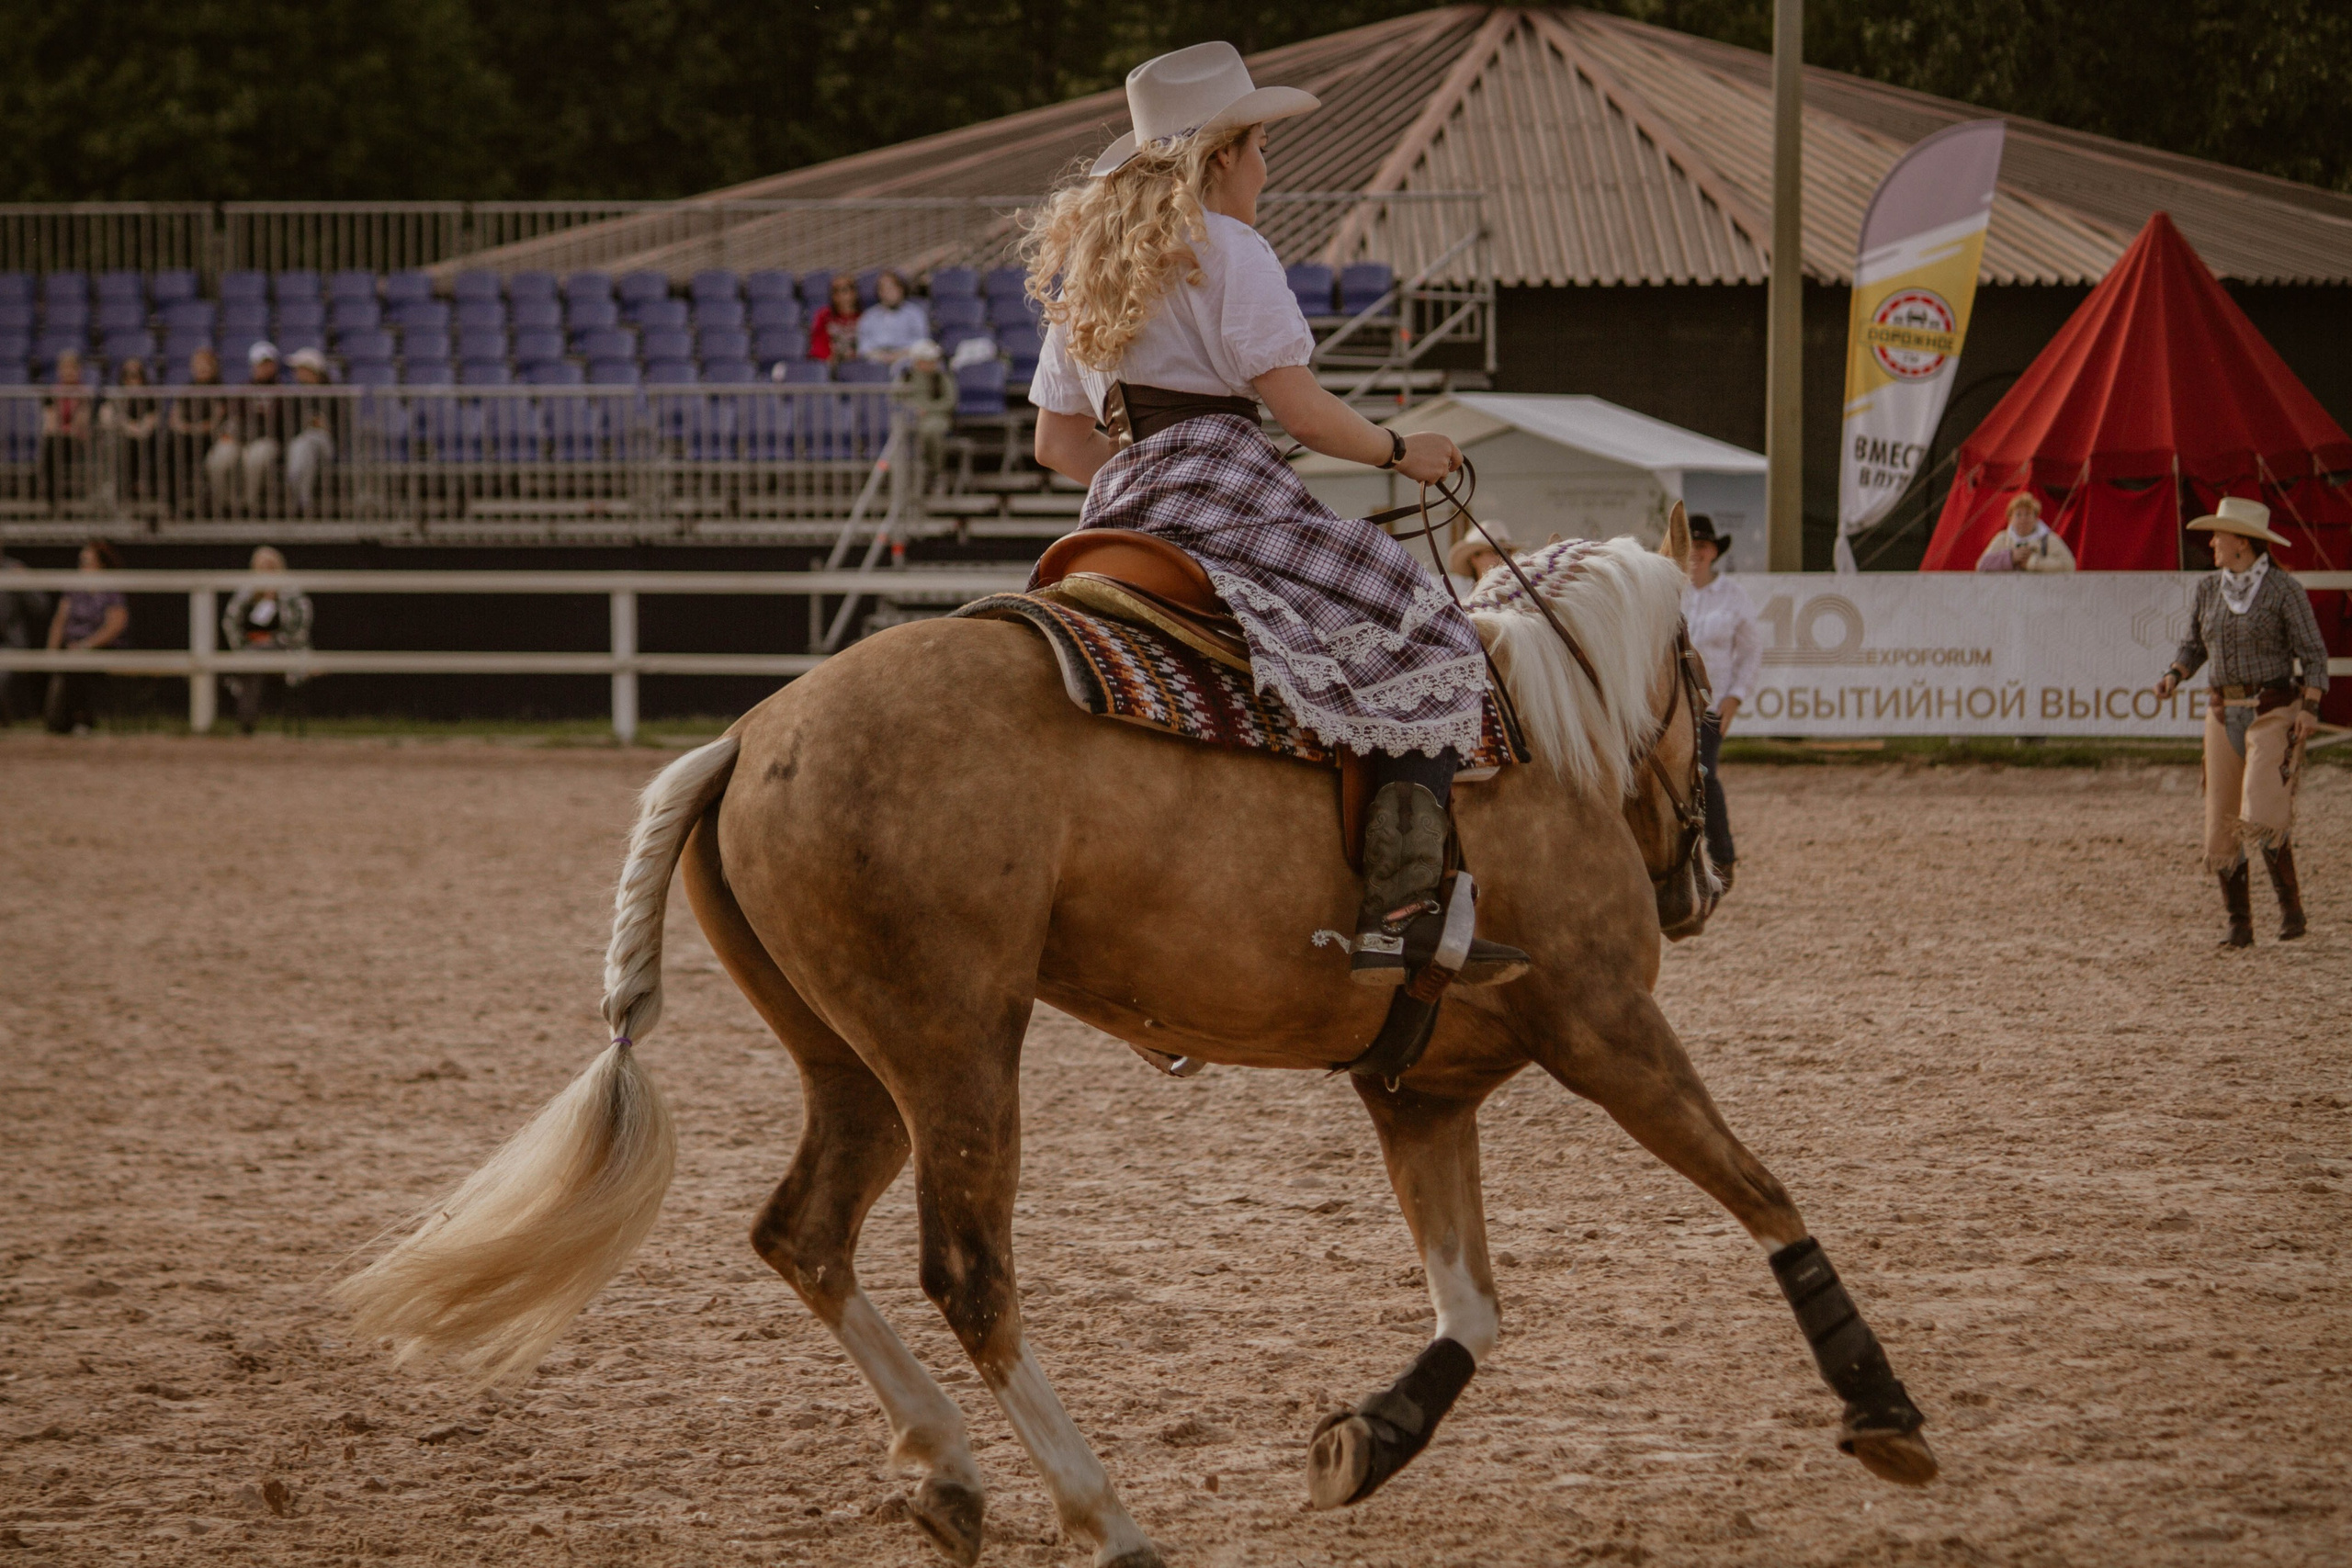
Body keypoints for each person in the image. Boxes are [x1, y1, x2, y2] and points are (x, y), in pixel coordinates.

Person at [1025, 41, 1527, 988]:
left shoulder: (1083, 273)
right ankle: (1403, 909)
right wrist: (1400, 452)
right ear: (1221, 157)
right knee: (1425, 626)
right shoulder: (1231, 250)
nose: (1264, 168)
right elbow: (1300, 413)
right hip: (1226, 481)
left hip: (1120, 505)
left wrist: (1144, 481)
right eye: (1258, 148)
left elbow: (1058, 448)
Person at [2152, 497, 2328, 946]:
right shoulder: (2209, 589)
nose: (2212, 542)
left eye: (2219, 535)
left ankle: (2290, 908)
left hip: (2272, 708)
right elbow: (2194, 645)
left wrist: (2309, 706)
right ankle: (2239, 921)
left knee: (2263, 807)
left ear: (2242, 543)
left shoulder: (2284, 590)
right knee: (2221, 820)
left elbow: (2313, 654)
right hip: (2221, 709)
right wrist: (2175, 674)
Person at [1680, 514, 1762, 892]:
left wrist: (1735, 698)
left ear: (1713, 551)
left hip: (1710, 706)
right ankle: (1680, 857)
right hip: (1673, 703)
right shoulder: (1671, 590)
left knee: (1705, 775)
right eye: (1690, 545)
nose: (1696, 553)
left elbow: (1749, 653)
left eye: (1702, 546)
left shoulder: (1733, 595)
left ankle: (1723, 853)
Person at [220, 545, 314, 734]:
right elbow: (230, 623)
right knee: (251, 662)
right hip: (250, 650)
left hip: (285, 649)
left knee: (252, 658)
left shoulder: (291, 593)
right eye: (262, 566)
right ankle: (247, 722)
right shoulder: (245, 594)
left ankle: (246, 722)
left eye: (270, 566)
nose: (266, 571)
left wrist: (273, 639)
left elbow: (301, 626)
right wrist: (245, 644)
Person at [43, 539, 128, 734]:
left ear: (101, 565)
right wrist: (50, 652)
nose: (82, 567)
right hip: (73, 647)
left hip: (103, 647)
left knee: (78, 662)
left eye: (87, 563)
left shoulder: (111, 590)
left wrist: (86, 645)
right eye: (80, 562)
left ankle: (81, 720)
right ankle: (61, 722)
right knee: (67, 661)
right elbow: (59, 621)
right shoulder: (74, 589)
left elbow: (115, 626)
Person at [207, 342, 288, 513]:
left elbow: (281, 424)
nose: (264, 368)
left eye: (268, 364)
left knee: (254, 458)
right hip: (239, 438)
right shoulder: (243, 390)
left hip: (266, 440)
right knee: (217, 461)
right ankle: (225, 505)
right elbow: (232, 417)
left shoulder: (283, 392)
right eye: (260, 364)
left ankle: (248, 506)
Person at [167, 347, 230, 517]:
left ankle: (207, 504)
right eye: (197, 365)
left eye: (205, 365)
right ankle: (173, 503)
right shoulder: (187, 389)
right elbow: (175, 416)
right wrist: (184, 428)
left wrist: (195, 429)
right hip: (186, 437)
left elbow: (217, 419)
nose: (201, 369)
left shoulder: (219, 389)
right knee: (170, 445)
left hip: (209, 439)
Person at [96, 356, 161, 505]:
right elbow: (107, 418)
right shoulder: (114, 397)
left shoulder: (149, 398)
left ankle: (142, 488)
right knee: (121, 445)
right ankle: (121, 493)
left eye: (136, 375)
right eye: (128, 375)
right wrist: (128, 427)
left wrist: (136, 428)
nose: (132, 380)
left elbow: (150, 422)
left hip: (144, 442)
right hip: (119, 443)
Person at [40, 350, 95, 514]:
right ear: (59, 371)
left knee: (54, 445)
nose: (68, 372)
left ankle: (59, 499)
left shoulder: (84, 394)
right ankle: (52, 501)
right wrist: (61, 429)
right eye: (65, 368)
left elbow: (81, 423)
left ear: (78, 371)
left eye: (72, 368)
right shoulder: (53, 393)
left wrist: (66, 429)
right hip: (59, 439)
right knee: (51, 444)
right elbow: (50, 421)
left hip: (78, 441)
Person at [284, 347, 337, 514]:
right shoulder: (296, 398)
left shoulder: (333, 395)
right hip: (304, 447)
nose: (296, 373)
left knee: (306, 441)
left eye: (300, 369)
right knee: (302, 445)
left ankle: (293, 482)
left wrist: (324, 425)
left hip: (327, 446)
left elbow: (341, 428)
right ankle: (303, 498)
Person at [0, 554, 50, 725]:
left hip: (9, 643)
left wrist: (24, 582)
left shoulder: (14, 568)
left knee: (2, 673)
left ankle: (7, 720)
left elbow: (41, 606)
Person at [1974, 493, 2076, 572]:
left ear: (2036, 518)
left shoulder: (2048, 539)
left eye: (2028, 514)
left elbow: (2069, 566)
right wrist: (2011, 558)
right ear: (2010, 519)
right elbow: (1982, 565)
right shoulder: (2002, 539)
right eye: (2018, 515)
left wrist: (2033, 562)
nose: (2023, 519)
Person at [857, 271, 930, 363]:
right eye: (884, 289)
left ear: (901, 289)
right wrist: (880, 356)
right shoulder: (869, 316)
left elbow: (922, 341)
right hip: (877, 360)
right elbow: (864, 346)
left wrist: (900, 355)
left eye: (892, 288)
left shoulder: (915, 313)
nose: (889, 292)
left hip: (907, 358)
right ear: (879, 293)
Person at [1445, 520, 1519, 593]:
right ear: (1474, 558)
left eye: (1508, 552)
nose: (1503, 558)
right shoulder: (1460, 596)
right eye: (1495, 552)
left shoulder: (1518, 594)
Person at [807, 276, 861, 364]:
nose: (840, 296)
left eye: (844, 290)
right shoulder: (824, 316)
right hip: (830, 365)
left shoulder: (864, 318)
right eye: (835, 291)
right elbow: (818, 344)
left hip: (857, 365)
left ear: (854, 293)